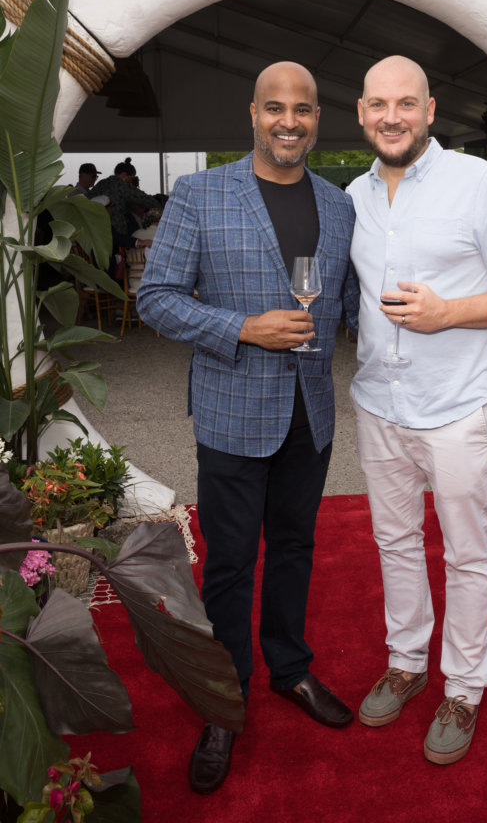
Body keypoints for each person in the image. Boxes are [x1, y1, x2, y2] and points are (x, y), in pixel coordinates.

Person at [137, 62, 359, 796]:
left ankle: (289, 670)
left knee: (295, 548)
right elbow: (157, 299)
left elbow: (347, 303)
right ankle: (224, 702)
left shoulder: (338, 204)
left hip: (311, 414)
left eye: (301, 109)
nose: (288, 120)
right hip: (233, 413)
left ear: (317, 117)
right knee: (230, 563)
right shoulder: (201, 195)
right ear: (254, 115)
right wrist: (242, 327)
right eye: (274, 108)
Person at [347, 56, 487, 766]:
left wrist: (448, 313)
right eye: (378, 104)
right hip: (378, 404)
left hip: (457, 406)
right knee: (395, 543)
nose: (391, 116)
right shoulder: (355, 194)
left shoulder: (480, 183)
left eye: (405, 103)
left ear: (429, 110)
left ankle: (462, 688)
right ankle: (406, 660)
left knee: (466, 554)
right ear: (361, 112)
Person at [89, 157, 160, 234]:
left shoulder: (100, 183)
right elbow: (148, 200)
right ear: (124, 175)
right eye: (130, 179)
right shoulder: (122, 186)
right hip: (118, 229)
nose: (130, 182)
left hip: (96, 229)